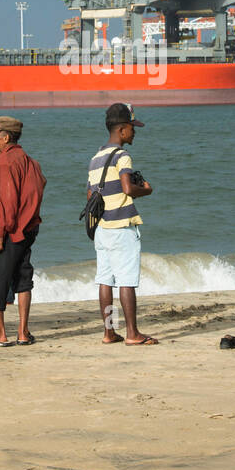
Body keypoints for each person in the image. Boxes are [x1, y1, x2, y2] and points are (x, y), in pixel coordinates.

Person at [88, 103, 156, 346]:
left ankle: (109, 332)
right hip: (122, 226)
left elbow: (90, 197)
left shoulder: (96, 157)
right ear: (122, 129)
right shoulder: (122, 155)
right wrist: (146, 190)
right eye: (132, 128)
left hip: (102, 229)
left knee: (105, 281)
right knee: (126, 281)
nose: (134, 133)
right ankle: (132, 333)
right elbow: (128, 188)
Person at [0, 116, 46, 347]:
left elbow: (8, 198)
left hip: (6, 233)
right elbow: (35, 190)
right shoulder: (30, 161)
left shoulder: (5, 162)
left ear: (6, 137)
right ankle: (23, 332)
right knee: (23, 279)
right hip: (26, 230)